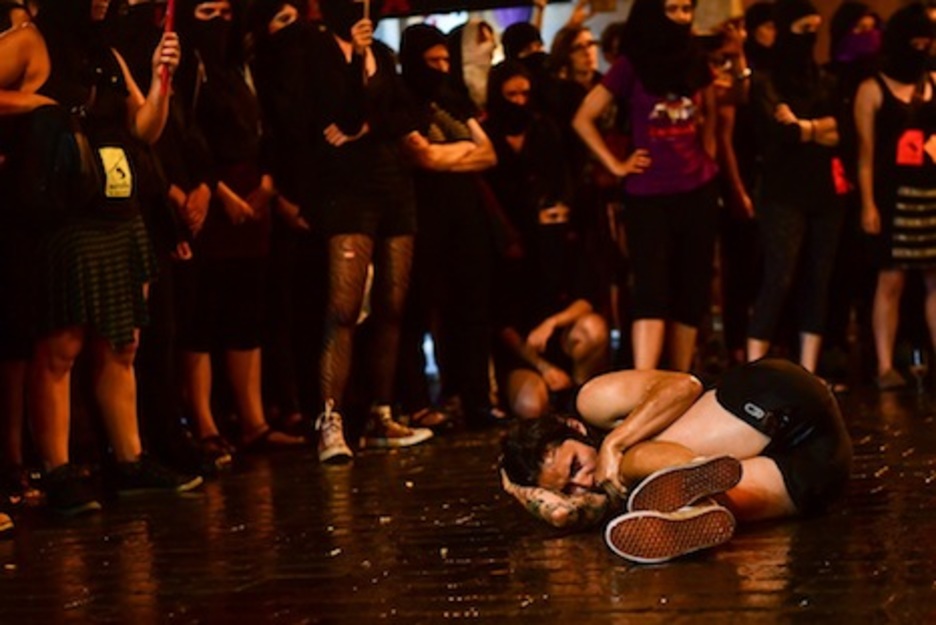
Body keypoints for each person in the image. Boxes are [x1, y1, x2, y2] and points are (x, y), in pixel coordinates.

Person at [30, 0, 202, 516]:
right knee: (62, 345)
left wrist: (159, 80)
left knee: (122, 341)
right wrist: (40, 109)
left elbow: (145, 128)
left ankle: (130, 460)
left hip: (119, 209)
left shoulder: (106, 52)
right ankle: (57, 470)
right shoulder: (32, 42)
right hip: (72, 209)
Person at [500, 358, 852, 563]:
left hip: (771, 395)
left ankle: (691, 483)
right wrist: (518, 489)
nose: (584, 483)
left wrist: (615, 443)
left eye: (576, 465)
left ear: (574, 428)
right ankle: (694, 506)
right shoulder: (609, 491)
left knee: (632, 464)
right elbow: (561, 514)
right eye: (569, 488)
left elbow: (684, 385)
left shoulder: (593, 402)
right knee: (719, 508)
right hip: (820, 469)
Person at [573, 0, 720, 371]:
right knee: (651, 290)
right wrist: (617, 165)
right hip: (648, 195)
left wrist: (709, 156)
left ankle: (681, 380)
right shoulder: (631, 64)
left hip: (696, 188)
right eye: (672, 8)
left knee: (692, 288)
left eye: (687, 8)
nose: (682, 17)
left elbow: (712, 111)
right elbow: (583, 118)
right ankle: (643, 382)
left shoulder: (694, 58)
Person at [483, 62, 609, 419]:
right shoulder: (513, 252)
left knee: (592, 331)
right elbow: (503, 321)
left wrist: (552, 324)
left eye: (525, 94)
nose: (520, 102)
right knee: (530, 404)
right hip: (525, 350)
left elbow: (588, 292)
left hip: (557, 331)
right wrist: (540, 365)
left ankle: (583, 408)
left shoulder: (545, 134)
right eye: (511, 95)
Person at [745, 0, 845, 375]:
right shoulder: (765, 80)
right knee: (780, 276)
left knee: (819, 278)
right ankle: (754, 371)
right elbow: (776, 132)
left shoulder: (825, 79)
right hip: (782, 191)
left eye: (814, 29)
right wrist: (819, 127)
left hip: (824, 190)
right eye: (803, 29)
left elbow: (842, 132)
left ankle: (809, 371)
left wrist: (804, 127)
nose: (810, 37)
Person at [855, 3, 936, 390]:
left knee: (934, 280)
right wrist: (868, 203)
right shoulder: (872, 89)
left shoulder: (934, 83)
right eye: (915, 39)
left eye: (928, 40)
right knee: (891, 281)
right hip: (892, 197)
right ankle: (885, 365)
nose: (921, 47)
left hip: (930, 192)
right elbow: (865, 156)